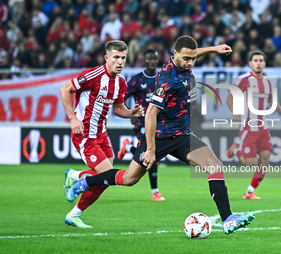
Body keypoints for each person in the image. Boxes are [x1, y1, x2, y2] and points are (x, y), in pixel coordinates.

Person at [66, 35, 256, 235]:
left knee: (215, 166)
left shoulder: (184, 59)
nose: (190, 62)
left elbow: (192, 52)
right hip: (160, 137)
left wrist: (215, 49)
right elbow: (150, 113)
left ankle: (227, 219)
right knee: (129, 179)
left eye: (192, 58)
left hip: (182, 135)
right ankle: (87, 181)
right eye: (187, 59)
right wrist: (150, 149)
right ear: (175, 55)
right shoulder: (167, 80)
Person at [59, 40, 144, 228]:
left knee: (105, 180)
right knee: (107, 174)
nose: (120, 62)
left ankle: (74, 202)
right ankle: (77, 182)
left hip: (102, 135)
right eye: (116, 57)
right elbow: (65, 89)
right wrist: (73, 118)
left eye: (123, 58)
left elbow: (119, 107)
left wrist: (131, 113)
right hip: (84, 135)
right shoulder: (94, 75)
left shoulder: (120, 82)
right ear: (107, 58)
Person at [226, 50, 281, 200]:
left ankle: (249, 191)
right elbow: (230, 98)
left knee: (266, 160)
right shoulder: (243, 79)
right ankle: (238, 149)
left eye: (261, 60)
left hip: (263, 126)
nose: (258, 63)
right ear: (250, 63)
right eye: (255, 60)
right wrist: (235, 111)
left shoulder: (267, 82)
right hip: (248, 126)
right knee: (252, 163)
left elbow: (271, 102)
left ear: (264, 63)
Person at [117, 49, 165, 201]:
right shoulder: (137, 80)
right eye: (149, 59)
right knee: (152, 154)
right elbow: (121, 97)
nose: (152, 62)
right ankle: (155, 192)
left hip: (159, 121)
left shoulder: (162, 78)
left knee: (149, 153)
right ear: (144, 60)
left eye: (154, 59)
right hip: (142, 121)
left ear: (157, 61)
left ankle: (127, 148)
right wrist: (130, 113)